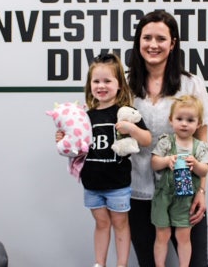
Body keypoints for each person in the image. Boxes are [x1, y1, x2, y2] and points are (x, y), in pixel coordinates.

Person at [127, 10, 208, 267]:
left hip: (183, 189)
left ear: (173, 43)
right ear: (138, 41)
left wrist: (202, 190)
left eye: (161, 39)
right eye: (147, 37)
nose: (153, 45)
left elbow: (202, 140)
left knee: (197, 264)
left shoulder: (191, 84)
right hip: (136, 191)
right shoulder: (125, 82)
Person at [57, 53, 152, 267]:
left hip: (118, 185)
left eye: (107, 81)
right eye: (96, 81)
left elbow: (146, 139)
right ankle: (99, 263)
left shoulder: (126, 113)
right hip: (92, 185)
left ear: (119, 85)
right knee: (101, 223)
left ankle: (122, 263)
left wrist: (132, 129)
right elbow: (74, 147)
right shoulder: (85, 117)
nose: (101, 86)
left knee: (120, 223)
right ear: (90, 84)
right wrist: (62, 139)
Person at [151, 95, 208, 267]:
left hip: (186, 198)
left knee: (183, 236)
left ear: (198, 124)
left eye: (190, 120)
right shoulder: (166, 143)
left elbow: (205, 169)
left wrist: (196, 164)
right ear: (171, 120)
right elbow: (154, 163)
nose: (184, 123)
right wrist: (166, 161)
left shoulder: (199, 147)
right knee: (162, 234)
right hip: (163, 196)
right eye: (179, 119)